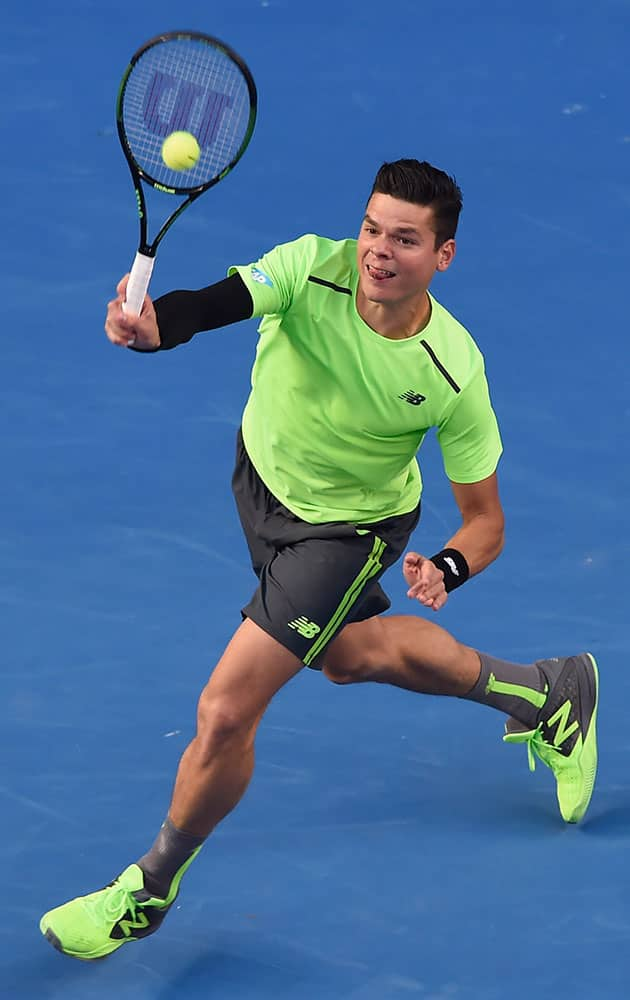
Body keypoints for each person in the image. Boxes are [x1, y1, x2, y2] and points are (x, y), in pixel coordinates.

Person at [40, 159, 598, 961]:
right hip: (262, 486)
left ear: (443, 256)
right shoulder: (310, 266)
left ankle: (148, 888)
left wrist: (446, 566)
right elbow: (215, 303)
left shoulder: (451, 369)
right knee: (346, 656)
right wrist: (155, 325)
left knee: (226, 711)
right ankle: (547, 694)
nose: (377, 251)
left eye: (405, 239)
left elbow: (485, 521)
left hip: (348, 534)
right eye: (372, 228)